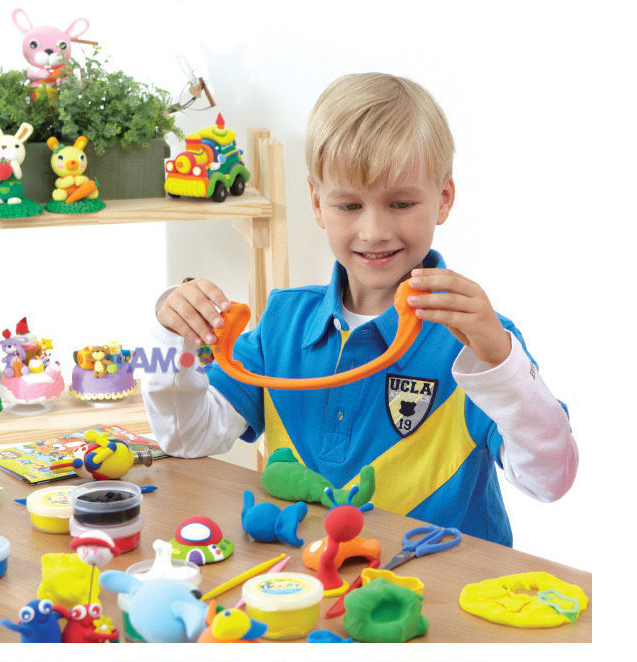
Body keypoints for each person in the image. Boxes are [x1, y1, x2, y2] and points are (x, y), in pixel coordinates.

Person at [143, 73, 577, 546]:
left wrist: (501, 363)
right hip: (312, 573)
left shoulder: (479, 341)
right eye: (349, 205)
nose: (374, 231)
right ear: (316, 203)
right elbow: (184, 438)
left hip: (439, 582)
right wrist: (169, 334)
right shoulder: (282, 322)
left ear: (443, 199)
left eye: (401, 203)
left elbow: (551, 481)